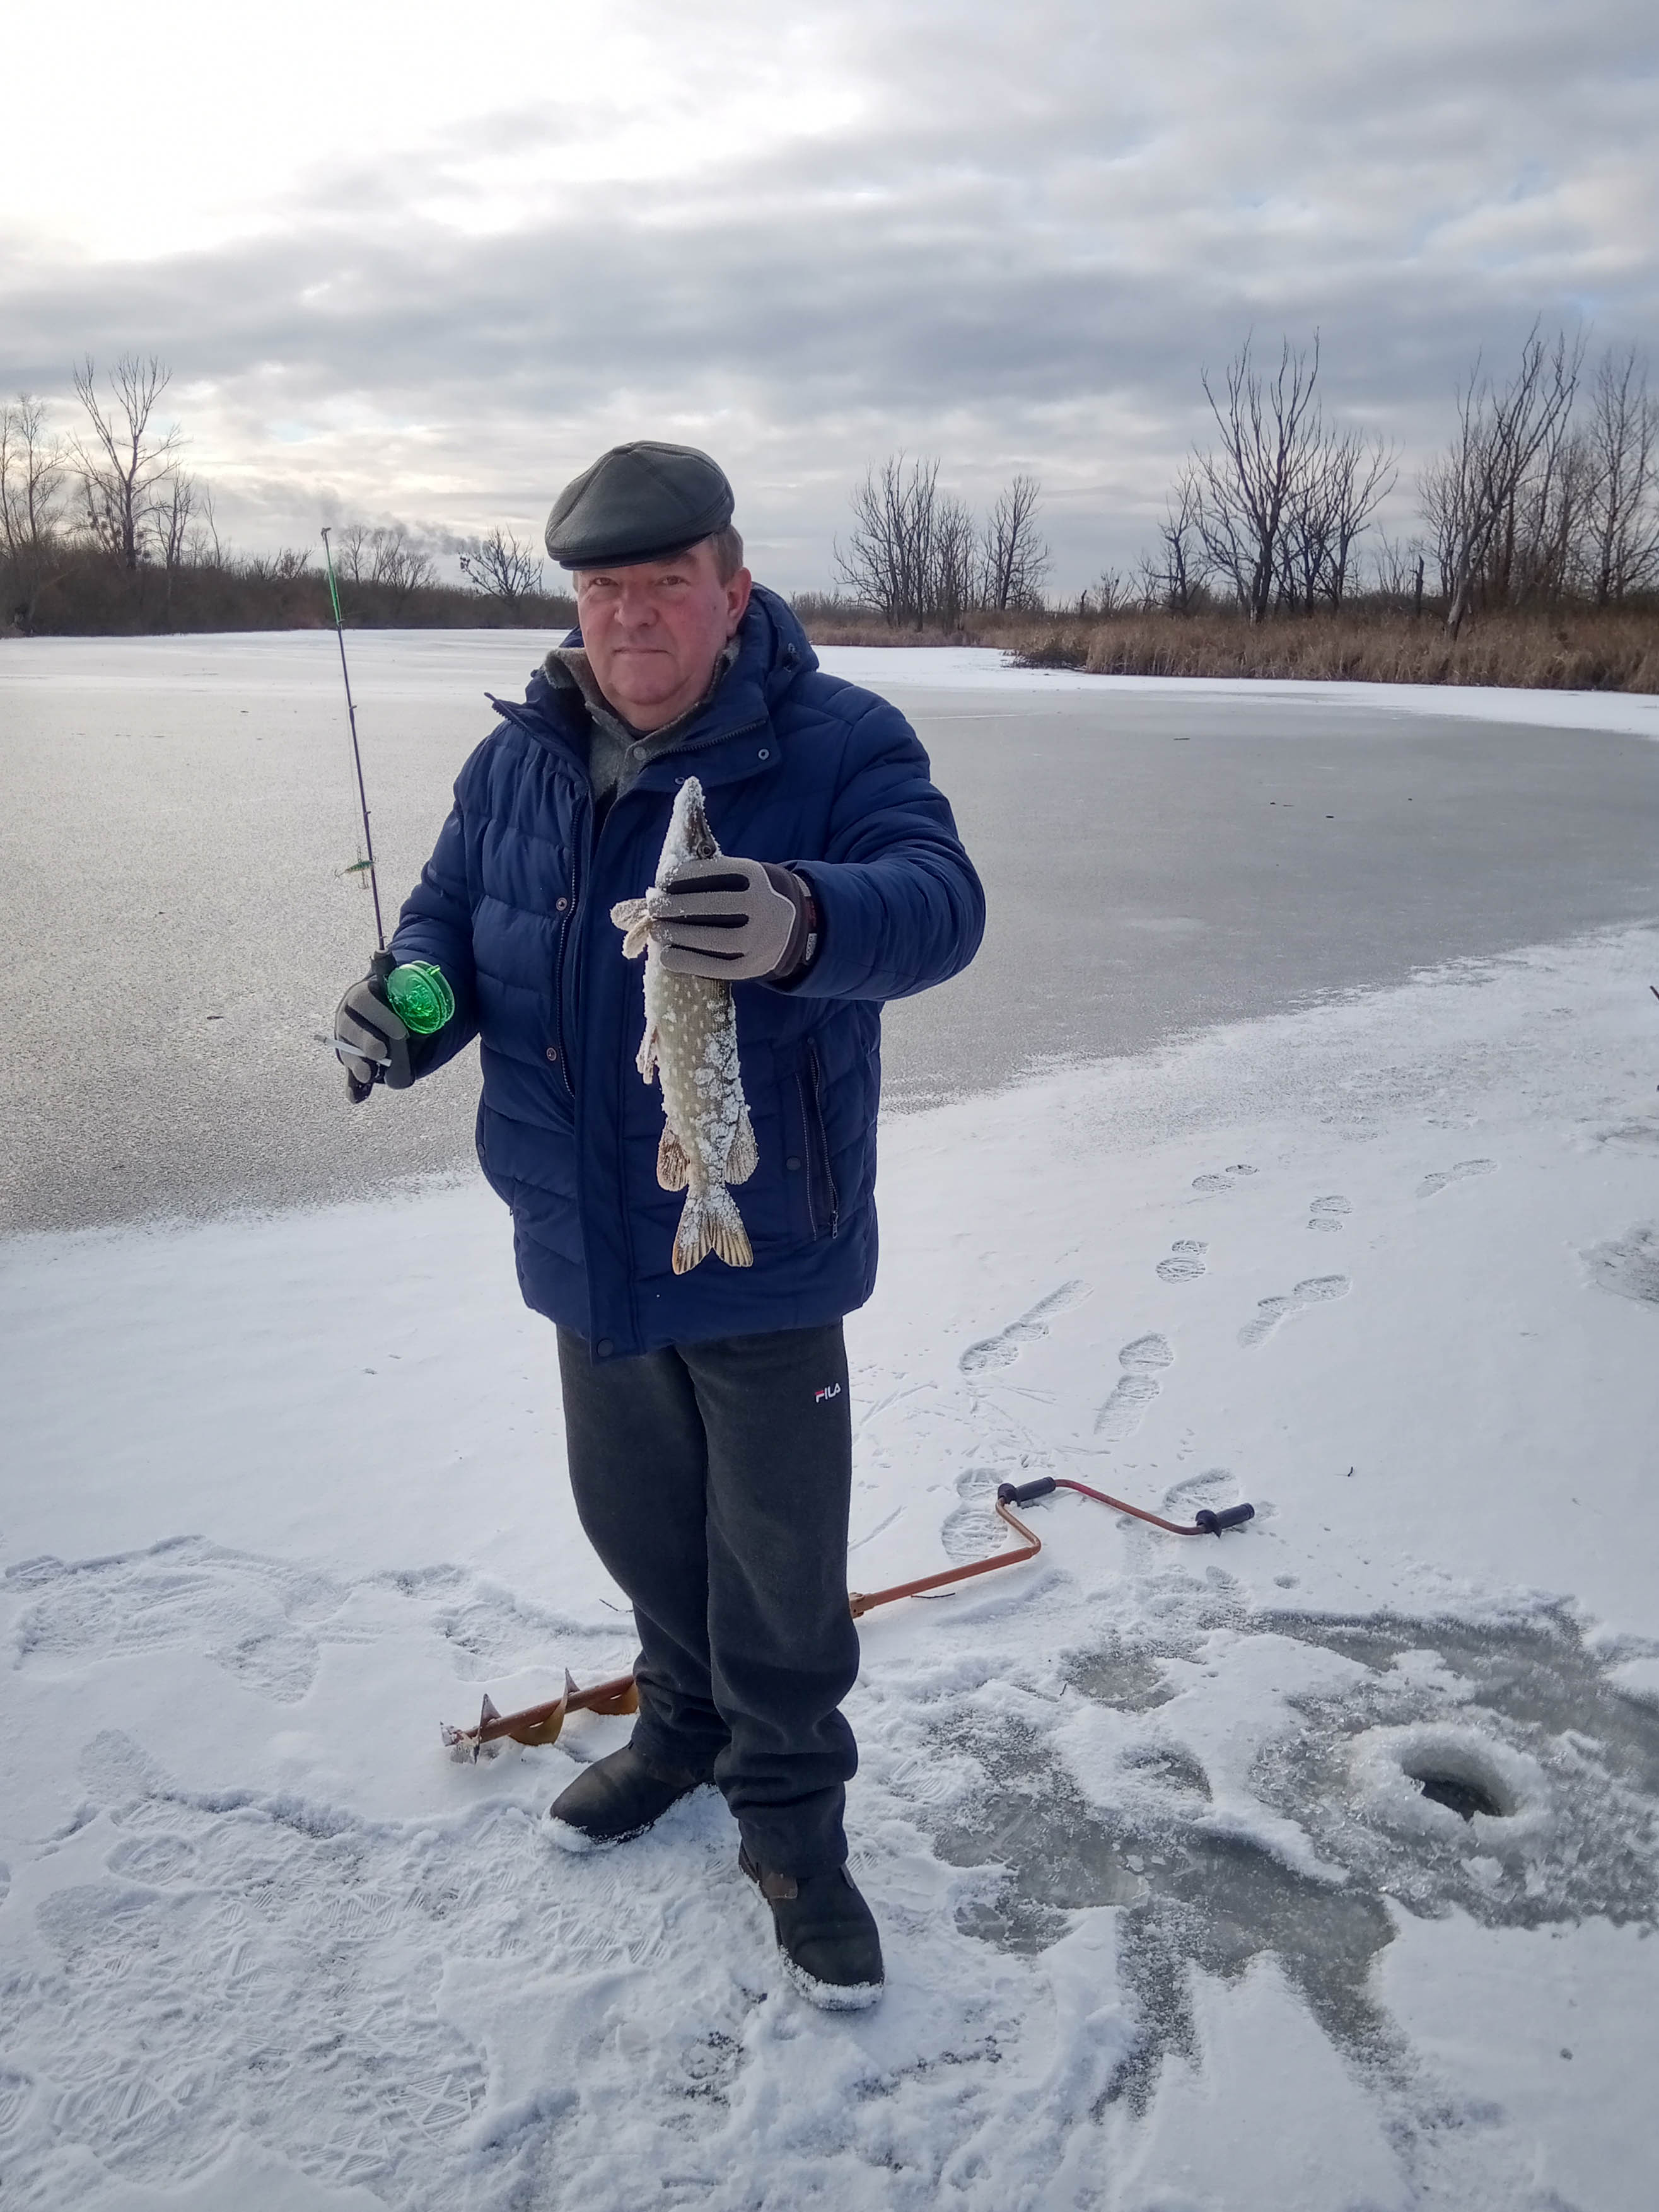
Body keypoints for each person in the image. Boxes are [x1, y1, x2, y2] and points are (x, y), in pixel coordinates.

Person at [334, 441, 984, 2009]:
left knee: (779, 1565)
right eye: (603, 587)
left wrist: (804, 918)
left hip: (762, 1234)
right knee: (635, 1520)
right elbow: (447, 925)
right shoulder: (518, 761)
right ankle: (679, 1727)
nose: (630, 614)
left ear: (732, 590)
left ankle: (794, 1824)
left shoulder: (839, 739)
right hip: (582, 1232)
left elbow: (940, 900)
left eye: (665, 582)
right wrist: (404, 1007)